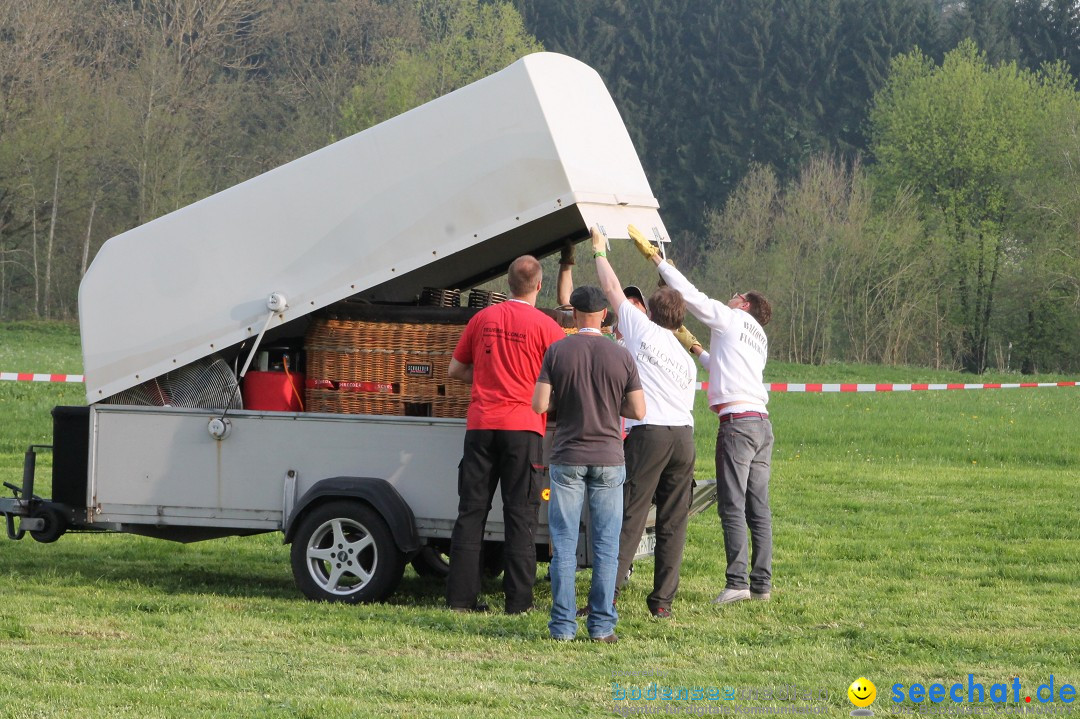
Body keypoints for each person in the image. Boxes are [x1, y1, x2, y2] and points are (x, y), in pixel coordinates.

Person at [627, 225, 775, 605]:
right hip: (761, 423)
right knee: (758, 505)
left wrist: (658, 260)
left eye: (737, 296)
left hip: (738, 425)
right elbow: (723, 366)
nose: (731, 297)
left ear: (744, 305)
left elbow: (691, 297)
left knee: (731, 502)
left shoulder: (732, 318)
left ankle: (737, 581)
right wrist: (693, 347)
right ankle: (761, 583)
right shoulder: (757, 337)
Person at [446, 255, 566, 614]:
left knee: (471, 513)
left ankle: (460, 601)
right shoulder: (546, 327)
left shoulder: (482, 319)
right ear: (539, 286)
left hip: (481, 426)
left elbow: (456, 370)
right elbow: (564, 378)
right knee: (520, 515)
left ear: (507, 285)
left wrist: (484, 379)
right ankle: (518, 603)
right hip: (523, 429)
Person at [589, 227, 697, 619]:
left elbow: (613, 287)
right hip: (684, 439)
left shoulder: (640, 329)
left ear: (649, 312)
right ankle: (663, 602)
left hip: (649, 434)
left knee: (630, 515)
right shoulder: (686, 360)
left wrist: (600, 251)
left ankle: (608, 596)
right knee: (673, 520)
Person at [532, 285, 645, 642]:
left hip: (567, 456)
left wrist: (563, 404)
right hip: (610, 459)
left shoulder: (557, 351)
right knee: (606, 547)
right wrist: (612, 407)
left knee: (563, 546)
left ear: (575, 315)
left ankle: (563, 627)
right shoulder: (622, 356)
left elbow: (539, 405)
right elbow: (638, 409)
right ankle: (601, 626)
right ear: (603, 317)